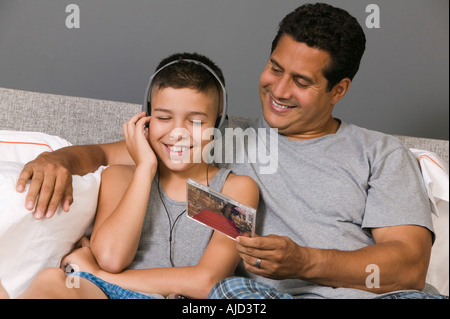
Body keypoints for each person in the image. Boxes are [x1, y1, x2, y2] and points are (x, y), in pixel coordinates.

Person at [12, 3, 447, 299]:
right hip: (255, 298)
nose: (278, 90)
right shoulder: (221, 142)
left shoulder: (381, 153)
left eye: (301, 81)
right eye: (275, 68)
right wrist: (59, 160)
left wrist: (305, 261)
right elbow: (116, 155)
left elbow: (408, 265)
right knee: (230, 297)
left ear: (339, 89)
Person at [0, 52, 259, 299]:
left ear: (218, 123)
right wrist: (145, 169)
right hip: (108, 292)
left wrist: (97, 274)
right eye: (164, 117)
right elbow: (112, 258)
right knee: (51, 280)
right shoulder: (122, 177)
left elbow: (207, 282)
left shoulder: (235, 189)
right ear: (146, 119)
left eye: (196, 121)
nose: (178, 133)